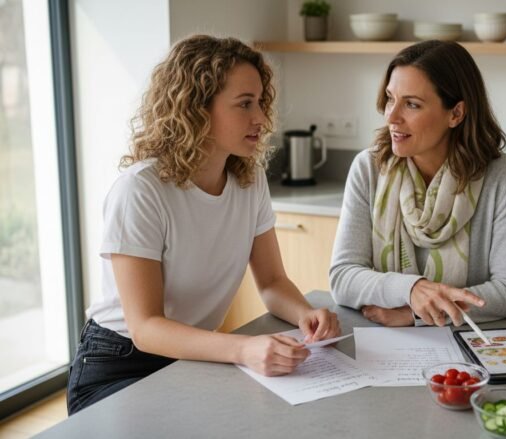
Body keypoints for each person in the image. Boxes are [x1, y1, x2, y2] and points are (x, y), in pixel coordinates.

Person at [67, 35, 340, 415]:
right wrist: (242, 349)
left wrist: (304, 313)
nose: (260, 118)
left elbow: (273, 283)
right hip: (119, 362)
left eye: (260, 102)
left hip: (191, 356)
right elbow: (146, 327)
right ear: (196, 109)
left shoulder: (249, 179)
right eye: (244, 104)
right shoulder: (141, 190)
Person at [330, 40, 506, 328]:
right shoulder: (369, 169)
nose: (391, 116)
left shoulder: (501, 176)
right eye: (390, 98)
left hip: (468, 351)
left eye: (412, 104)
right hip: (382, 342)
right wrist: (411, 290)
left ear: (456, 114)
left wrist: (415, 314)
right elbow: (343, 277)